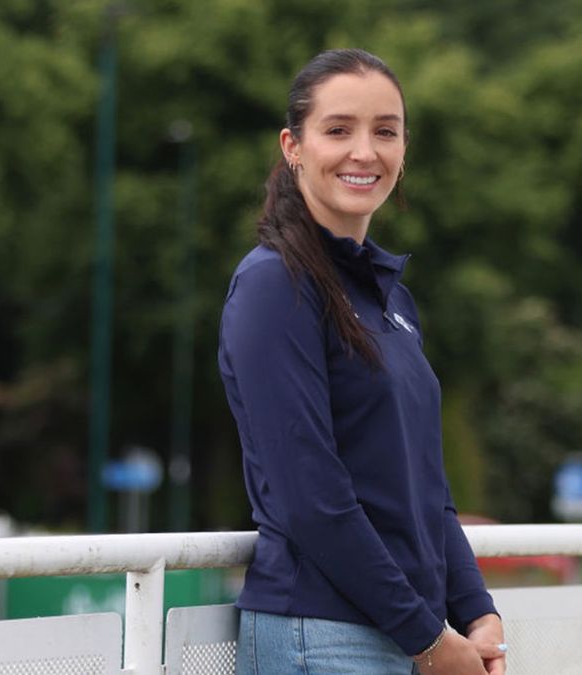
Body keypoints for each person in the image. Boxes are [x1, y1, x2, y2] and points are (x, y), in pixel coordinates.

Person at [217, 49, 507, 675]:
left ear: (404, 149)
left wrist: (476, 609)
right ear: (293, 147)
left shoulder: (389, 297)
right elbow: (308, 496)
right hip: (321, 638)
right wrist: (427, 637)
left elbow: (426, 486)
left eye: (385, 131)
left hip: (409, 635)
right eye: (339, 129)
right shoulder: (275, 284)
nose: (364, 152)